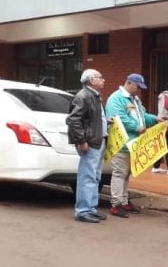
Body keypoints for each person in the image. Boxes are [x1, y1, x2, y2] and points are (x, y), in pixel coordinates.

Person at [106, 73, 160, 218]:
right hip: (121, 143)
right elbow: (120, 118)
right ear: (129, 83)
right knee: (119, 173)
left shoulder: (134, 99)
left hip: (133, 143)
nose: (138, 90)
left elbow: (143, 116)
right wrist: (137, 127)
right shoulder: (116, 98)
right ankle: (116, 203)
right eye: (137, 86)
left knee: (126, 174)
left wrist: (155, 119)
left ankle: (123, 201)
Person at [66, 69, 108, 224]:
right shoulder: (83, 96)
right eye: (100, 77)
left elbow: (90, 119)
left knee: (95, 177)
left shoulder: (94, 96)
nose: (103, 80)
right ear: (91, 80)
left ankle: (91, 209)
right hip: (91, 141)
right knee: (87, 176)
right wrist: (81, 140)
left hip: (98, 140)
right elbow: (73, 120)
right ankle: (83, 210)